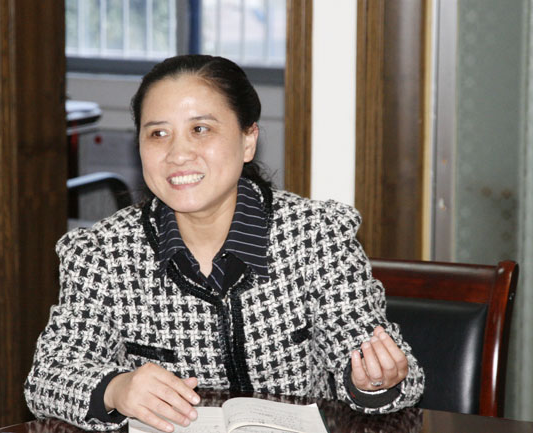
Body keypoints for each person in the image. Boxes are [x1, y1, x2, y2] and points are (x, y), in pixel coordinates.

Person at [24, 55, 425, 432]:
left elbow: (397, 378)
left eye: (200, 129)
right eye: (158, 134)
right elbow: (48, 378)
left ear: (248, 140)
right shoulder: (103, 252)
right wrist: (117, 389)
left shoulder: (317, 235)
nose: (178, 154)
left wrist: (374, 382)